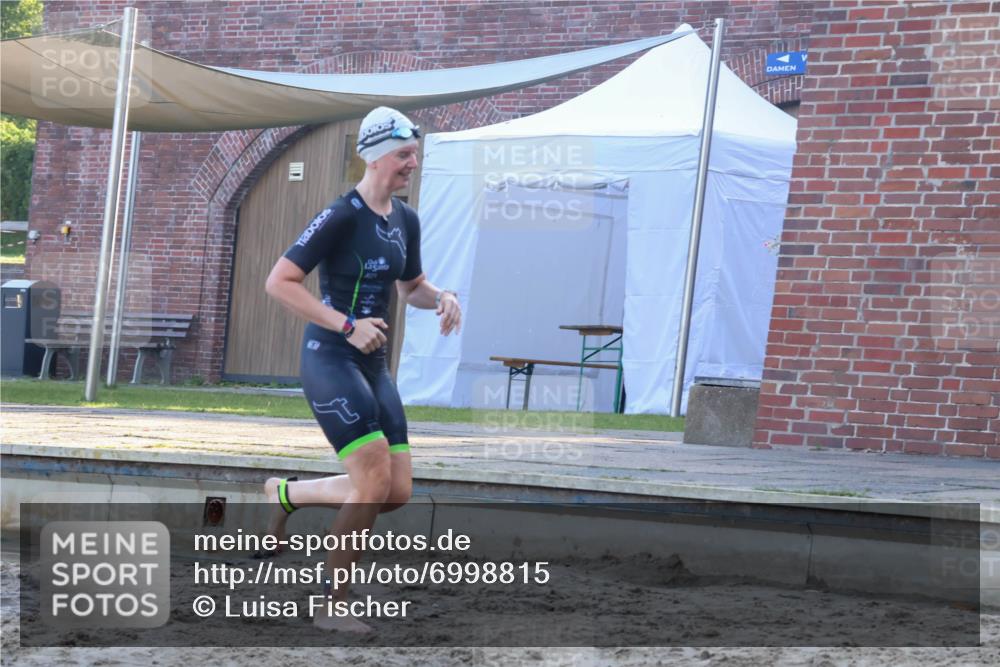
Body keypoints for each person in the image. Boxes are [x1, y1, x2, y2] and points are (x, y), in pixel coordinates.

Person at [261, 106, 461, 633]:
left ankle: (286, 494)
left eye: (414, 153)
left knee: (395, 492)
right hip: (330, 358)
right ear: (375, 158)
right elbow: (279, 282)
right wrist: (346, 325)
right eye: (404, 154)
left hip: (373, 365)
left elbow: (410, 287)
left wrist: (442, 296)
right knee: (371, 480)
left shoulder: (405, 219)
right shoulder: (341, 215)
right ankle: (333, 605)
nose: (413, 163)